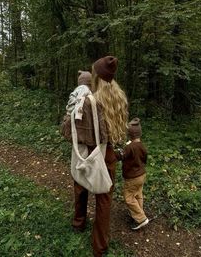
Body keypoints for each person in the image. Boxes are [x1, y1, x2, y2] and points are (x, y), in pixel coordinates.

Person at [72, 56, 128, 257]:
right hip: (109, 155)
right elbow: (116, 133)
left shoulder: (88, 101)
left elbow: (70, 131)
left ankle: (78, 222)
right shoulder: (119, 97)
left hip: (90, 152)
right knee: (104, 199)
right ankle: (100, 246)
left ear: (95, 75)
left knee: (81, 185)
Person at [121, 118, 149, 230]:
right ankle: (138, 214)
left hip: (132, 177)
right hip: (141, 175)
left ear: (129, 135)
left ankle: (141, 218)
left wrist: (118, 151)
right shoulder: (141, 146)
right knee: (137, 194)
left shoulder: (129, 147)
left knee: (128, 197)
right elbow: (145, 158)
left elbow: (120, 156)